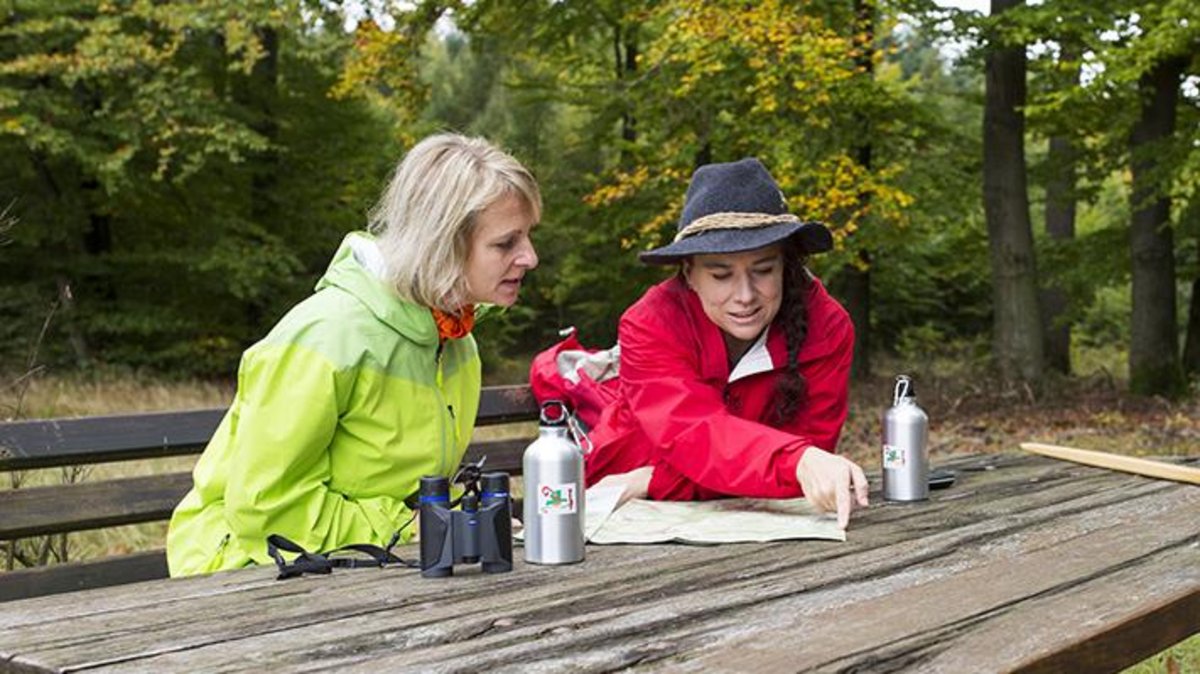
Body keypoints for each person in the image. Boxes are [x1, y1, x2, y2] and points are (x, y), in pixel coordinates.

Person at [167, 134, 541, 576]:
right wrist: (410, 527)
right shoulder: (325, 336)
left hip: (358, 565)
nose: (530, 258)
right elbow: (265, 506)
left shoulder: (456, 341)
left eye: (528, 238)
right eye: (505, 244)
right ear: (441, 242)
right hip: (243, 569)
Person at [576, 157, 867, 528]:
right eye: (720, 274)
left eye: (763, 270)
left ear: (785, 267)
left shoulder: (827, 327)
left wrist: (653, 480)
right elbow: (694, 433)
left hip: (704, 505)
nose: (744, 295)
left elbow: (811, 456)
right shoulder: (648, 324)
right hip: (623, 508)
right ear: (689, 274)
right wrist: (794, 462)